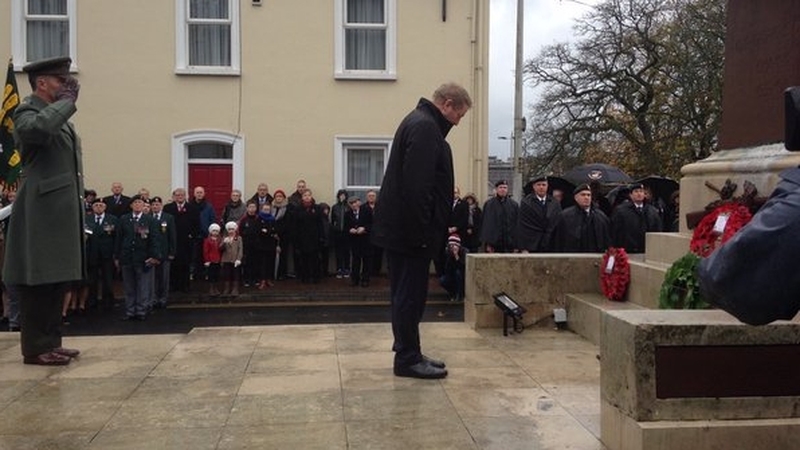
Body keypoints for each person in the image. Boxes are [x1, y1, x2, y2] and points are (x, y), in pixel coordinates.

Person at [372, 82, 472, 379]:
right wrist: (422, 234)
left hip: (405, 231)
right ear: (448, 104)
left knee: (408, 294)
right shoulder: (426, 127)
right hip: (410, 233)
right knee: (409, 296)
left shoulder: (419, 122)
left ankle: (409, 350)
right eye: (459, 115)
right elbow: (418, 188)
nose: (458, 122)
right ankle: (407, 358)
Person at [4, 56, 83, 365]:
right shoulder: (26, 112)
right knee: (38, 280)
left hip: (57, 211)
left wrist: (62, 108)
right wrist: (65, 105)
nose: (65, 85)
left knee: (56, 278)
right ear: (41, 83)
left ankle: (51, 341)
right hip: (40, 211)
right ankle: (35, 348)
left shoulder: (57, 116)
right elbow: (37, 131)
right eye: (59, 80)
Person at [115, 195, 162, 321]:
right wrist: (117, 256)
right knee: (129, 286)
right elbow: (119, 239)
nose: (137, 204)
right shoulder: (124, 219)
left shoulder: (150, 220)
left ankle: (141, 310)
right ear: (131, 205)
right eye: (135, 202)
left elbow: (154, 239)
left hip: (143, 258)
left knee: (143, 285)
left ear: (143, 205)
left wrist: (155, 256)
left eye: (139, 202)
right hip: (127, 257)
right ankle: (130, 310)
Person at [553, 184, 611, 253]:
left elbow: (607, 240)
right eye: (583, 195)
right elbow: (558, 240)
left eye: (588, 195)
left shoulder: (600, 216)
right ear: (576, 197)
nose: (586, 197)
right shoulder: (565, 216)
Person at [163, 188, 199, 293]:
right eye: (177, 195)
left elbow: (196, 224)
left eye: (182, 195)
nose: (180, 197)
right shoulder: (168, 208)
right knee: (173, 264)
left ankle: (185, 286)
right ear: (173, 196)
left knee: (185, 264)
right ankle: (173, 286)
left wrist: (192, 235)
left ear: (185, 196)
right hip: (172, 240)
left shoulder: (192, 208)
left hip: (186, 241)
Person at [85, 198, 118, 311]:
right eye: (96, 205)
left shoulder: (112, 219)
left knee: (107, 280)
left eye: (101, 205)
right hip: (92, 254)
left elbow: (116, 237)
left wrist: (115, 253)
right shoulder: (87, 219)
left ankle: (108, 301)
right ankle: (92, 301)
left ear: (105, 207)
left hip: (107, 254)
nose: (98, 207)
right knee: (92, 280)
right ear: (93, 207)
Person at [611, 183, 663, 253]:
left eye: (641, 191)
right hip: (627, 250)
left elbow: (658, 230)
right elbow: (615, 231)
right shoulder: (621, 211)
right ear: (631, 195)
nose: (639, 194)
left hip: (646, 250)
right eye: (636, 191)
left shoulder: (652, 211)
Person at [518, 176, 562, 253]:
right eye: (538, 185)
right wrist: (523, 247)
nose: (541, 187)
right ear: (534, 186)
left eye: (543, 185)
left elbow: (558, 222)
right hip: (532, 244)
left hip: (550, 243)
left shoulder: (555, 203)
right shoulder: (526, 202)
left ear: (547, 186)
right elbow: (522, 226)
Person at [149, 196, 176, 309]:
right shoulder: (147, 217)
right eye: (153, 205)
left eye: (157, 205)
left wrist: (172, 252)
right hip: (151, 253)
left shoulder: (168, 218)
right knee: (152, 278)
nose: (155, 207)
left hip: (165, 253)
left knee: (164, 278)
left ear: (161, 206)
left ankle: (163, 298)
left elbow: (172, 236)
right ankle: (153, 298)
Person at [294, 189, 325, 284]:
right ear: (302, 197)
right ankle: (305, 277)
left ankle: (316, 277)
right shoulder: (298, 209)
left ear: (311, 197)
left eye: (308, 195)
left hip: (315, 238)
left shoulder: (317, 208)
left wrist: (321, 236)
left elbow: (321, 223)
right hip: (302, 238)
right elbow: (295, 225)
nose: (307, 197)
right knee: (304, 260)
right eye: (305, 195)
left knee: (315, 259)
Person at [480, 180, 519, 253]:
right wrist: (488, 243)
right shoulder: (489, 204)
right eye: (500, 187)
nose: (503, 189)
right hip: (494, 243)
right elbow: (486, 224)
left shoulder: (514, 205)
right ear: (496, 189)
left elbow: (516, 224)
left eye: (505, 187)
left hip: (509, 243)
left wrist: (516, 244)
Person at [345, 196, 372, 287]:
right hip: (354, 240)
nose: (354, 205)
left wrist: (364, 228)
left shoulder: (367, 211)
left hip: (365, 239)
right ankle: (355, 279)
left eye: (355, 202)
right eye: (351, 203)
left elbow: (372, 224)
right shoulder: (347, 214)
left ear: (359, 202)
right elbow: (345, 227)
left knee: (366, 260)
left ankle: (365, 279)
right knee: (355, 260)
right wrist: (350, 230)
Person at [439, 233, 467, 302]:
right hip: (451, 274)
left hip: (462, 276)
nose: (452, 247)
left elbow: (463, 268)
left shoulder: (464, 252)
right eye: (450, 245)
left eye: (454, 245)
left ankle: (459, 294)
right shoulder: (447, 253)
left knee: (458, 273)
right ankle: (453, 293)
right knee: (443, 280)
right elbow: (447, 269)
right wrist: (450, 257)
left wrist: (457, 256)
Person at [330, 189, 351, 279]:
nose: (342, 197)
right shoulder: (335, 207)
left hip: (347, 233)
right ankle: (339, 268)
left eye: (344, 195)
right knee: (338, 252)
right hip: (338, 233)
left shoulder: (349, 207)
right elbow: (332, 220)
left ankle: (346, 268)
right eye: (340, 195)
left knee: (347, 251)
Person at [220, 221, 243, 297]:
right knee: (227, 274)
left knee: (236, 274)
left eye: (232, 229)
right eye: (229, 229)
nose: (231, 231)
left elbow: (240, 249)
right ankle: (226, 289)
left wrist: (239, 259)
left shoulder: (239, 238)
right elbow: (220, 249)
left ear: (235, 230)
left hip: (235, 260)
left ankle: (235, 289)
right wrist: (224, 243)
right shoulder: (224, 238)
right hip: (226, 259)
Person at [203, 223, 223, 296]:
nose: (215, 233)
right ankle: (211, 288)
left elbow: (222, 250)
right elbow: (205, 251)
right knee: (211, 275)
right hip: (211, 260)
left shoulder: (220, 240)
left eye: (217, 231)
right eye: (213, 231)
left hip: (218, 260)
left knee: (217, 275)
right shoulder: (207, 240)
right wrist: (207, 260)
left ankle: (216, 288)